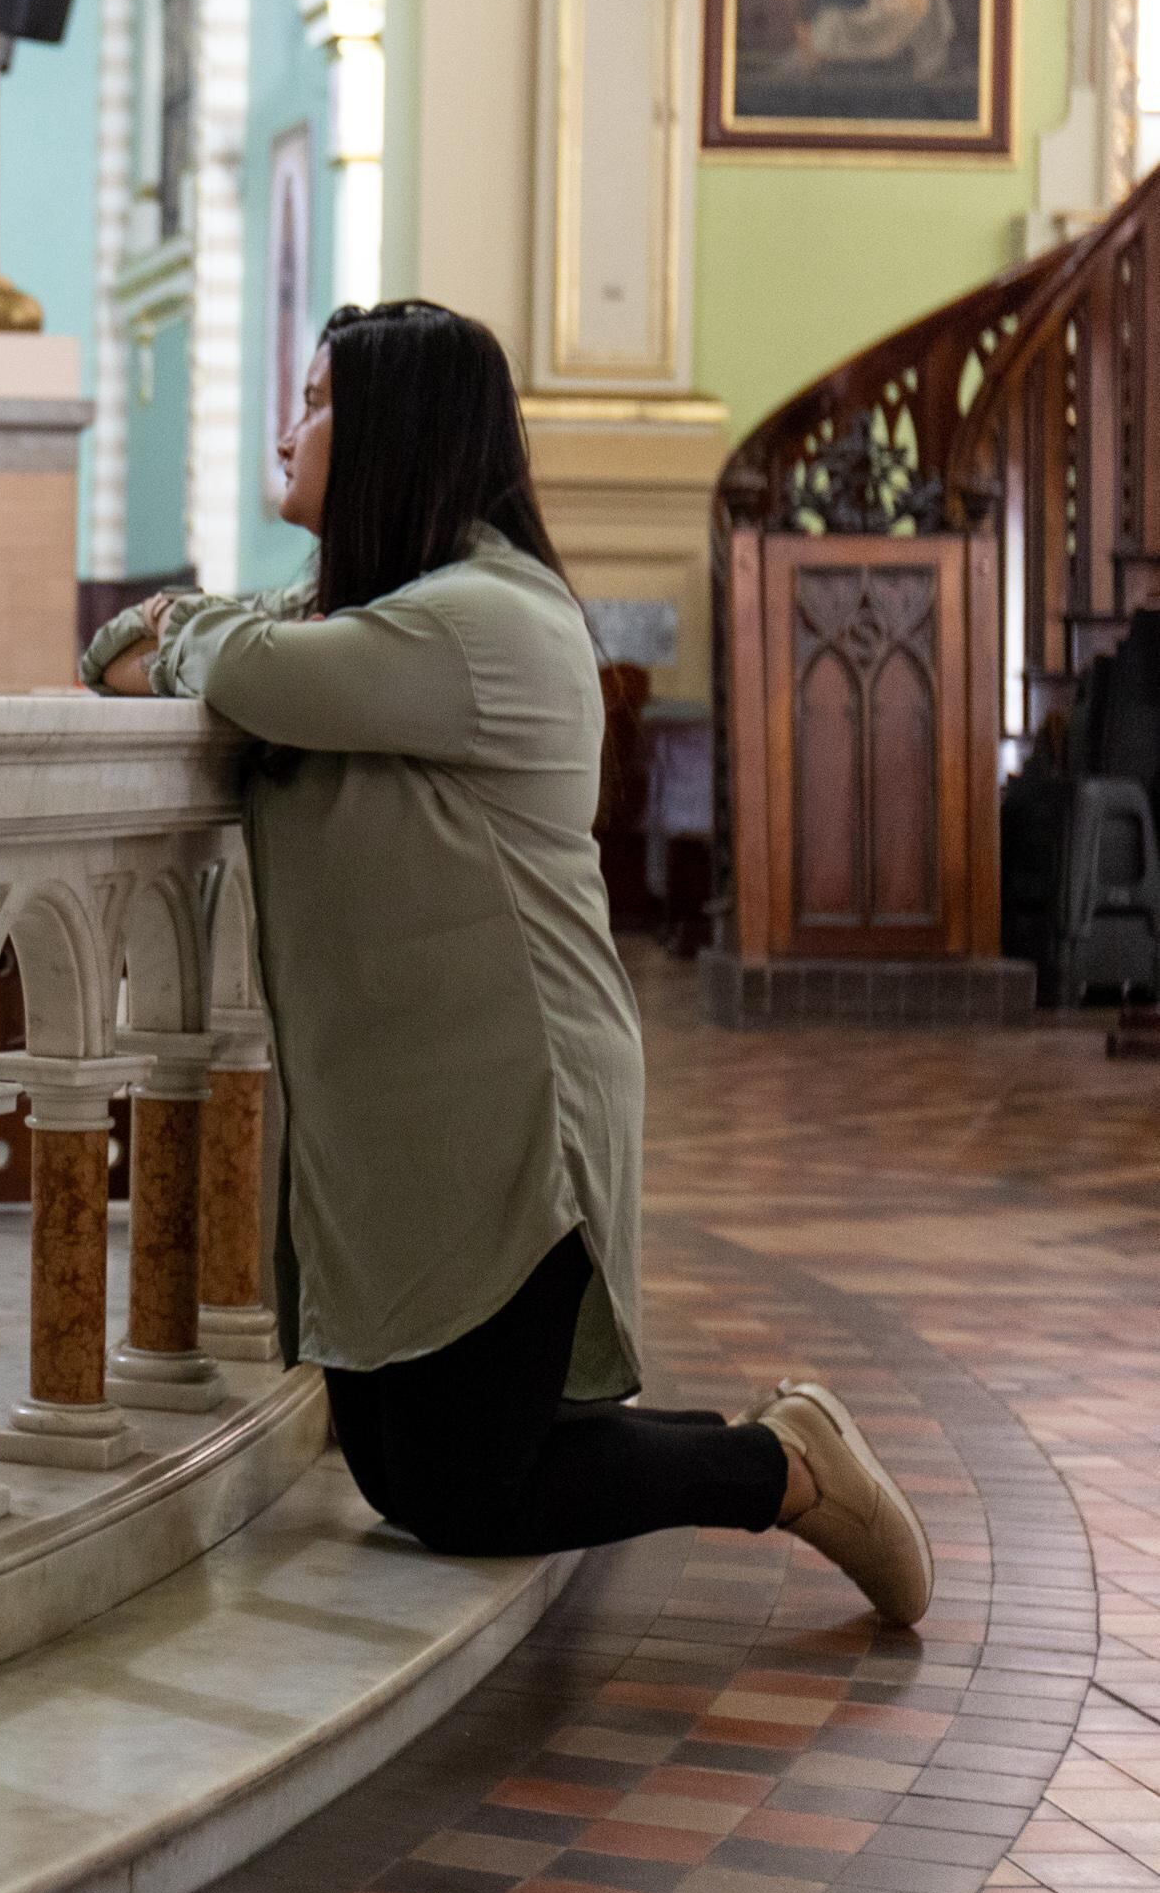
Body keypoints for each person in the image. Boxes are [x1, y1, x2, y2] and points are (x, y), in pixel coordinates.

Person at [83, 300, 930, 1625]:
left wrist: (184, 631)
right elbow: (134, 651)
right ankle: (768, 1450)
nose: (285, 429)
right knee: (393, 1464)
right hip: (400, 1115)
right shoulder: (378, 617)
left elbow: (221, 657)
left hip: (504, 1105)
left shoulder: (477, 624)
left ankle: (784, 1465)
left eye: (312, 403)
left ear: (390, 436)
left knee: (471, 1488)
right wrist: (184, 634)